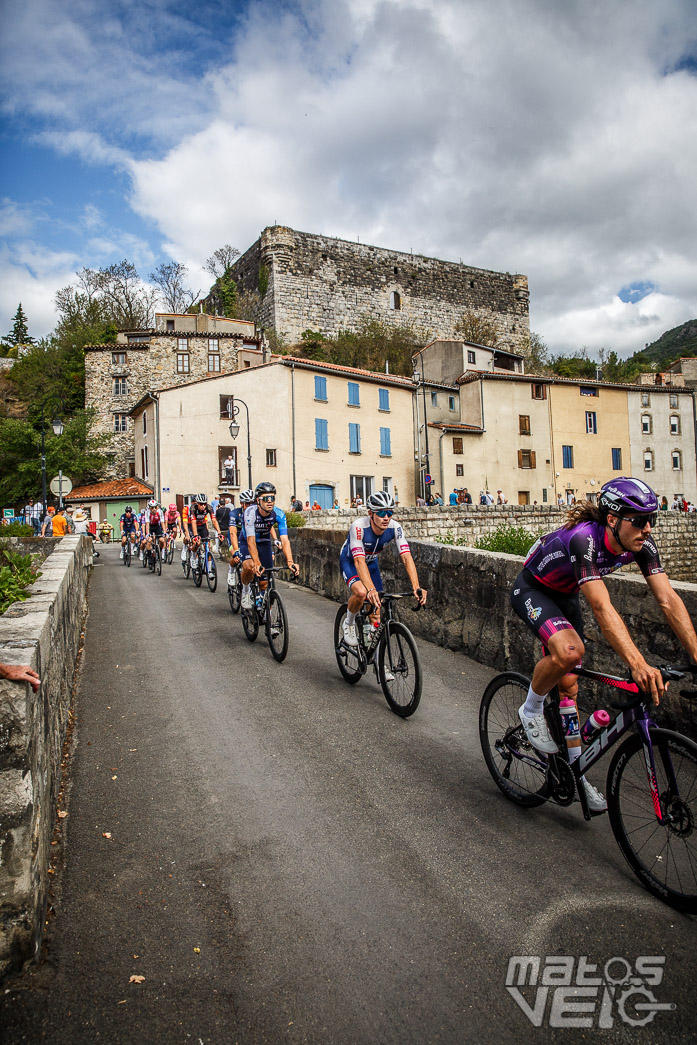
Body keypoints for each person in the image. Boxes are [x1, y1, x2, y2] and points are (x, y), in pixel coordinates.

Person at [511, 476, 697, 814]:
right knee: (569, 652)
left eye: (652, 519)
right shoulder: (585, 540)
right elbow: (601, 606)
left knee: (569, 687)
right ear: (612, 519)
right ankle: (532, 707)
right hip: (533, 589)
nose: (648, 528)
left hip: (566, 595)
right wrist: (638, 664)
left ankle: (574, 773)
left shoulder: (641, 542)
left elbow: (667, 598)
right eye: (639, 520)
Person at [339, 490, 427, 650]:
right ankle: (349, 623)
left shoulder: (395, 527)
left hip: (371, 564)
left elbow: (406, 557)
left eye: (389, 512)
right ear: (371, 514)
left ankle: (375, 660)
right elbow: (359, 561)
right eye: (381, 513)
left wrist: (416, 586)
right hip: (351, 562)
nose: (386, 517)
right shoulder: (358, 527)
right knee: (361, 593)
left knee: (376, 615)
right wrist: (370, 589)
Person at [239, 482, 299, 609]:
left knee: (264, 583)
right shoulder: (250, 513)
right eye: (266, 498)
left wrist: (290, 561)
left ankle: (266, 615)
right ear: (258, 500)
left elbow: (285, 540)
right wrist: (256, 563)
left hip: (264, 543)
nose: (270, 502)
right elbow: (250, 541)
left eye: (272, 498)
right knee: (249, 567)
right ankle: (245, 592)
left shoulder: (279, 514)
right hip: (247, 542)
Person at [227, 488, 255, 587]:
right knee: (237, 558)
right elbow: (233, 533)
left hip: (247, 536)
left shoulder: (256, 513)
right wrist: (235, 550)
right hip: (236, 536)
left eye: (253, 503)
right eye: (247, 503)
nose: (250, 506)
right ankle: (231, 570)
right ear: (242, 503)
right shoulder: (234, 514)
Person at [188, 493, 222, 567]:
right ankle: (193, 557)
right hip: (194, 527)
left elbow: (214, 520)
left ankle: (209, 570)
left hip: (202, 526)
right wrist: (196, 535)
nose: (203, 506)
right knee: (196, 543)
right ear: (197, 503)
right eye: (201, 504)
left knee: (208, 547)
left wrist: (219, 533)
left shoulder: (209, 507)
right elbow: (193, 522)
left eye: (204, 504)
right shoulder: (193, 508)